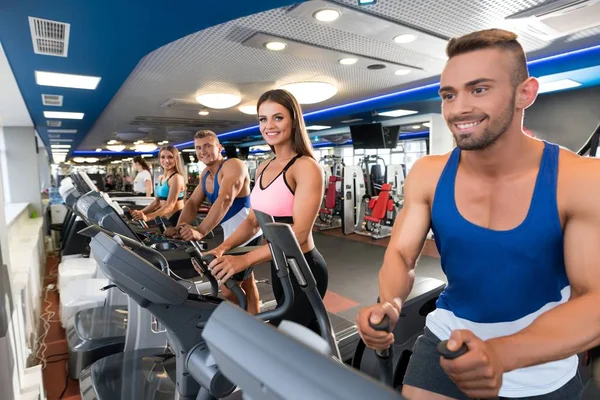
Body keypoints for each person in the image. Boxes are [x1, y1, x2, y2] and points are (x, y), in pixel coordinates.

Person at [356, 28, 600, 400]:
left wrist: (500, 354)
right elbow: (401, 254)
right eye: (449, 95)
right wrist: (389, 303)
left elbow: (594, 299)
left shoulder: (579, 179)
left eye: (479, 89)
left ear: (525, 93)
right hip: (447, 338)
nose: (459, 108)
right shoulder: (429, 173)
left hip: (539, 361)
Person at [207, 89, 328, 333]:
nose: (268, 126)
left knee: (281, 336)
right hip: (278, 266)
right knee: (306, 334)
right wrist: (222, 248)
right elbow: (253, 221)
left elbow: (301, 233)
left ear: (294, 121)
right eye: (263, 119)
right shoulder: (263, 166)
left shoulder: (306, 167)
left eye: (278, 117)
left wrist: (244, 260)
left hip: (304, 268)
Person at [166, 130, 263, 314]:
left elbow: (225, 198)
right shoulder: (205, 175)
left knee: (228, 289)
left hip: (247, 232)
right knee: (247, 283)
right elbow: (193, 203)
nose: (203, 151)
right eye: (198, 148)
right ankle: (256, 320)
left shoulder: (233, 165)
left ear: (219, 148)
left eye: (208, 146)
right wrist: (180, 227)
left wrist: (201, 230)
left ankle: (245, 320)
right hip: (230, 233)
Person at [132, 145, 185, 227]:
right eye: (162, 157)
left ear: (176, 159)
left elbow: (169, 206)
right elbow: (156, 203)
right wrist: (141, 212)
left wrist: (148, 217)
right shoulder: (161, 177)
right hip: (167, 219)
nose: (166, 161)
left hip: (177, 219)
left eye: (170, 157)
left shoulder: (176, 178)